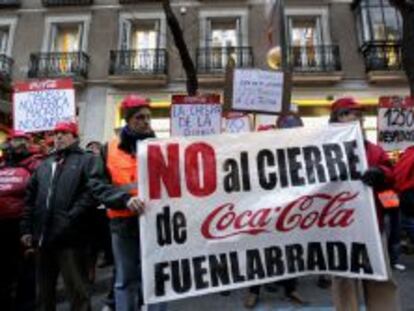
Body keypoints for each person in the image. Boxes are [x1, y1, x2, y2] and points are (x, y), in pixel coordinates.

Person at [89, 94, 166, 311]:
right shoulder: (108, 149)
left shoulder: (161, 147)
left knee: (156, 278)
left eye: (148, 117)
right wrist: (124, 200)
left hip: (156, 223)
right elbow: (97, 185)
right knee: (125, 280)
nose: (146, 122)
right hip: (123, 226)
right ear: (128, 120)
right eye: (140, 117)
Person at [329, 97, 401, 311]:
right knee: (344, 284)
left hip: (371, 227)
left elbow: (392, 184)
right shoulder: (322, 151)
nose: (354, 118)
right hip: (339, 230)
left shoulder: (375, 151)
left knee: (380, 279)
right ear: (336, 119)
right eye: (347, 113)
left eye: (358, 115)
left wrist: (382, 174)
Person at [20, 121, 98, 311]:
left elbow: (91, 193)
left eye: (64, 133)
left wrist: (69, 218)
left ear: (75, 136)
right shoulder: (45, 163)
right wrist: (27, 229)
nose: (59, 137)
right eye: (56, 134)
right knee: (44, 294)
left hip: (71, 238)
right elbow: (30, 199)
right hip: (43, 238)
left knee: (77, 293)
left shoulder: (87, 160)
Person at [244, 117, 305, 309]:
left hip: (287, 211)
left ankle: (291, 288)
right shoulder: (256, 158)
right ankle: (254, 291)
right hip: (262, 212)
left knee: (289, 252)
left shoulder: (293, 155)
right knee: (259, 252)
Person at [0, 130, 42, 310]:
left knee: (26, 268)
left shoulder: (36, 164)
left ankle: (25, 305)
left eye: (23, 140)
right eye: (16, 139)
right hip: (2, 224)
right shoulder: (1, 164)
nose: (19, 143)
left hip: (23, 223)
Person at [393, 144, 414, 255]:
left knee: (406, 221)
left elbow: (400, 174)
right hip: (409, 190)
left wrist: (397, 188)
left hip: (408, 191)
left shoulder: (409, 153)